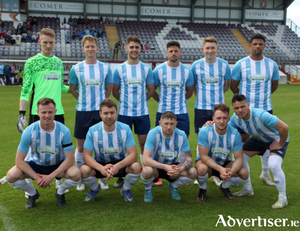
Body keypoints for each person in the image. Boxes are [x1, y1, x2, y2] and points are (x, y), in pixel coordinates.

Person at [17, 28, 69, 195]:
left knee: (59, 147)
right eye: (45, 42)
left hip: (57, 111)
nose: (48, 45)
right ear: (40, 42)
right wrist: (21, 113)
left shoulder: (58, 63)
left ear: (55, 43)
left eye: (51, 42)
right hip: (37, 112)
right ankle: (29, 182)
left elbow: (61, 87)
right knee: (33, 148)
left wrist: (78, 89)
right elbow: (25, 90)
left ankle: (59, 180)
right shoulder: (31, 62)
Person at [6, 98, 81, 209]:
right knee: (11, 176)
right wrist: (36, 178)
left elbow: (70, 159)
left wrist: (51, 176)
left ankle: (60, 192)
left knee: (76, 174)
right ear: (38, 112)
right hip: (36, 165)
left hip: (57, 164)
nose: (47, 115)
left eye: (50, 112)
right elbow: (19, 161)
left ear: (55, 112)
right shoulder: (29, 131)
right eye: (43, 112)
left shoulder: (64, 131)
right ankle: (32, 193)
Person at [230, 33, 280, 187]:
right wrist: (244, 104)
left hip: (265, 111)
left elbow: (274, 84)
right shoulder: (241, 64)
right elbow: (233, 86)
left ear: (264, 46)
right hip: (244, 113)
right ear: (250, 46)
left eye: (261, 44)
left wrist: (263, 99)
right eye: (255, 44)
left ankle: (265, 174)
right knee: (240, 143)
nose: (258, 46)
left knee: (267, 143)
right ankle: (243, 178)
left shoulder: (272, 65)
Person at [229, 94, 289, 209]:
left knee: (274, 164)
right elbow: (225, 129)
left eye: (242, 107)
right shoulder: (235, 118)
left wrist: (281, 143)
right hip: (258, 138)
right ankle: (248, 189)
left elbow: (284, 127)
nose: (240, 110)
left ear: (248, 105)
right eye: (236, 108)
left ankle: (283, 198)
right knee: (239, 158)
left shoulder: (261, 115)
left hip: (276, 139)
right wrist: (210, 124)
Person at [69, 35, 112, 192]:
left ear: (97, 48)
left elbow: (108, 88)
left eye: (93, 46)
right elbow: (73, 88)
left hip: (99, 113)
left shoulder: (105, 67)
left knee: (100, 146)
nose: (90, 49)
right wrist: (81, 99)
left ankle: (102, 177)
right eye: (87, 46)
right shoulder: (76, 68)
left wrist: (103, 103)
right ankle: (80, 178)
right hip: (83, 112)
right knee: (81, 146)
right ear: (83, 49)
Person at [112, 35, 155, 188]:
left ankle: (145, 172)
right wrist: (124, 102)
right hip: (124, 113)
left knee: (144, 144)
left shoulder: (146, 68)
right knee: (123, 146)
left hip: (142, 113)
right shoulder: (119, 69)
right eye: (131, 47)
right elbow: (115, 91)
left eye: (137, 47)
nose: (134, 50)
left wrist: (142, 100)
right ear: (126, 48)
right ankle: (121, 175)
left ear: (140, 49)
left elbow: (151, 89)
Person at [80, 99, 141, 202]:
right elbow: (86, 156)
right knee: (83, 170)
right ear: (100, 114)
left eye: (112, 113)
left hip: (120, 163)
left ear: (116, 112)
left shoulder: (125, 129)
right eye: (106, 113)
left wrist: (117, 166)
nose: (109, 116)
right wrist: (101, 168)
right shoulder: (93, 130)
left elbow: (133, 155)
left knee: (136, 167)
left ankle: (125, 189)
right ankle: (95, 188)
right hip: (101, 164)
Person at [191, 36, 231, 186]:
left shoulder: (225, 65)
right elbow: (193, 86)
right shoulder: (195, 65)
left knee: (220, 140)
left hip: (219, 110)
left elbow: (226, 85)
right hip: (201, 108)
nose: (210, 51)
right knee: (202, 140)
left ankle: (216, 173)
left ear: (217, 49)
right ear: (203, 49)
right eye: (207, 48)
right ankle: (201, 172)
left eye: (212, 48)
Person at [152, 41, 193, 186]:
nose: (173, 53)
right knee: (159, 143)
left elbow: (189, 91)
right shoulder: (158, 70)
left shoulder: (187, 71)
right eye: (171, 51)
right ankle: (157, 176)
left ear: (180, 52)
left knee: (183, 141)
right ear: (167, 53)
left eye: (176, 50)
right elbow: (153, 90)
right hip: (163, 111)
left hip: (181, 112)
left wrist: (179, 102)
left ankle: (180, 173)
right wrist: (162, 101)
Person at [195, 103, 248, 202]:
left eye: (224, 118)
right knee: (201, 169)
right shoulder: (205, 131)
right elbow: (203, 157)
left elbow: (239, 158)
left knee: (244, 173)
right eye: (218, 118)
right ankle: (202, 188)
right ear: (213, 118)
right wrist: (220, 169)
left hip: (225, 163)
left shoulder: (235, 133)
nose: (221, 121)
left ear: (228, 119)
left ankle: (224, 186)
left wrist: (230, 172)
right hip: (208, 164)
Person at [141, 111, 197, 202]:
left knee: (193, 172)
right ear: (160, 123)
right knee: (147, 170)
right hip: (156, 167)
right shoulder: (153, 133)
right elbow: (145, 159)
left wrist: (180, 169)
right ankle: (148, 189)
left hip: (172, 167)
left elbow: (189, 159)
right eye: (166, 123)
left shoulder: (181, 135)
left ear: (176, 124)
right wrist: (164, 166)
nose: (169, 127)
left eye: (172, 124)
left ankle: (173, 186)